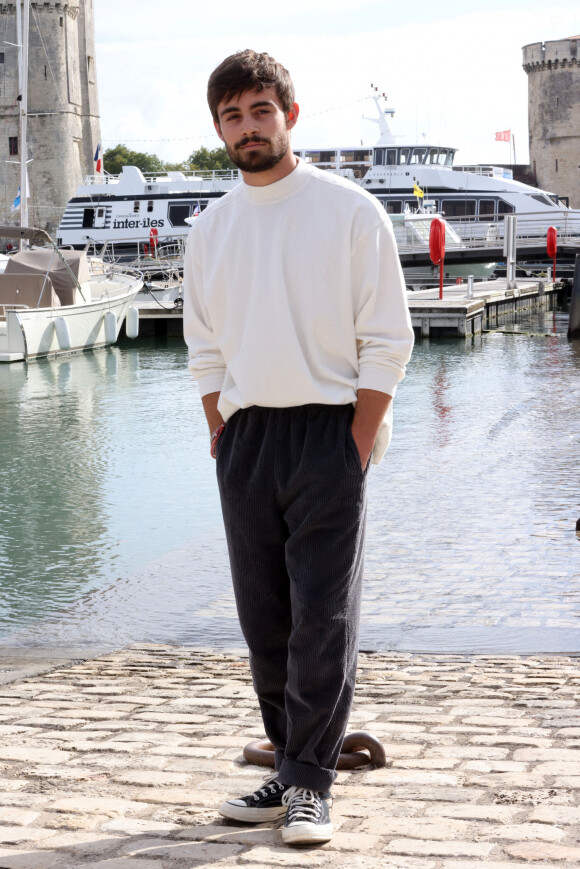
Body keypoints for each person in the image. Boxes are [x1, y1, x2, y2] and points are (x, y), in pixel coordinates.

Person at [183, 49, 414, 846]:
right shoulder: (209, 229)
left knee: (323, 614)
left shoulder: (349, 212)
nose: (248, 128)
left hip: (328, 429)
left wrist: (353, 440)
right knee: (266, 618)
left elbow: (388, 338)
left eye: (260, 110)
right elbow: (205, 349)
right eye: (233, 116)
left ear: (290, 114)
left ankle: (312, 784)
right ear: (220, 128)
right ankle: (290, 760)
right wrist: (221, 428)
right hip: (247, 438)